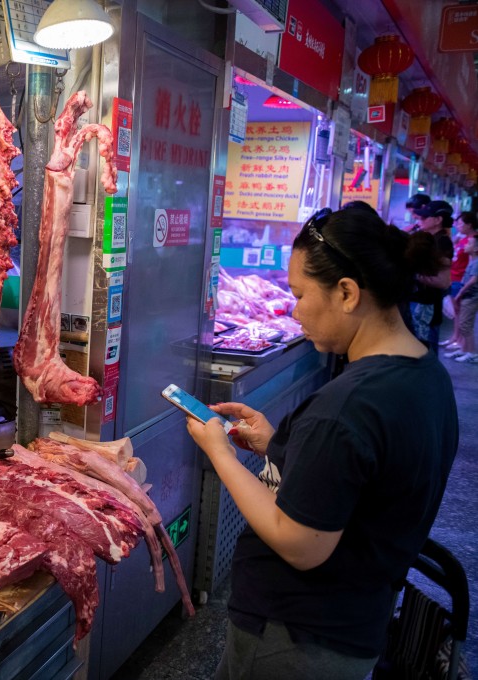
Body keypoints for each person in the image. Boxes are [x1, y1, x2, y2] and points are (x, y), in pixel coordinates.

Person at [185, 207, 458, 680]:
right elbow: (361, 480)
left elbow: (300, 543)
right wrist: (281, 446)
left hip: (297, 638)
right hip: (357, 620)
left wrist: (220, 454)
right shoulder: (424, 374)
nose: (294, 310)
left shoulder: (347, 407)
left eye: (301, 294)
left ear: (347, 293)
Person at [409, 200, 454, 347]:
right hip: (421, 303)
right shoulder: (431, 239)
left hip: (427, 306)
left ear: (438, 220)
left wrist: (413, 274)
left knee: (426, 350)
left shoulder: (442, 242)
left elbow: (443, 281)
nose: (419, 221)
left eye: (424, 218)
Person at [441, 211, 477, 352]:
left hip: (461, 278)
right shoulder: (464, 238)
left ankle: (460, 341)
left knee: (460, 312)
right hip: (454, 276)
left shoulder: (473, 240)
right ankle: (455, 338)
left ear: (469, 225)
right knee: (457, 310)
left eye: (460, 223)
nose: (458, 225)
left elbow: (472, 262)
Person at [447, 233, 478, 364]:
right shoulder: (473, 261)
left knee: (466, 325)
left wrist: (460, 293)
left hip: (471, 297)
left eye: (469, 243)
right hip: (467, 296)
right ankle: (465, 349)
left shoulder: (476, 262)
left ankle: (473, 353)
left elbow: (473, 279)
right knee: (463, 323)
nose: (465, 245)